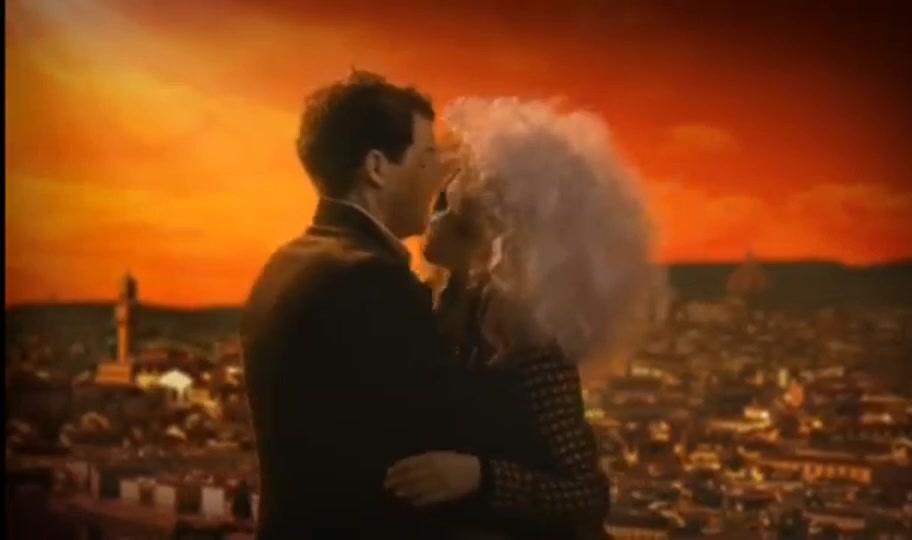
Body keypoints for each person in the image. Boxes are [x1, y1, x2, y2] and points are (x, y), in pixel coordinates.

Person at [384, 98, 663, 540]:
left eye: (452, 210)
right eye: (440, 202)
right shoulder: (448, 311)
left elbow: (586, 494)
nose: (433, 219)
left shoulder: (528, 342)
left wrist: (481, 477)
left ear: (495, 240)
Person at [241, 70, 467, 539]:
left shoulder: (285, 262)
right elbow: (431, 447)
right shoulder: (372, 280)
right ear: (377, 168)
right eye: (427, 156)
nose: (439, 173)